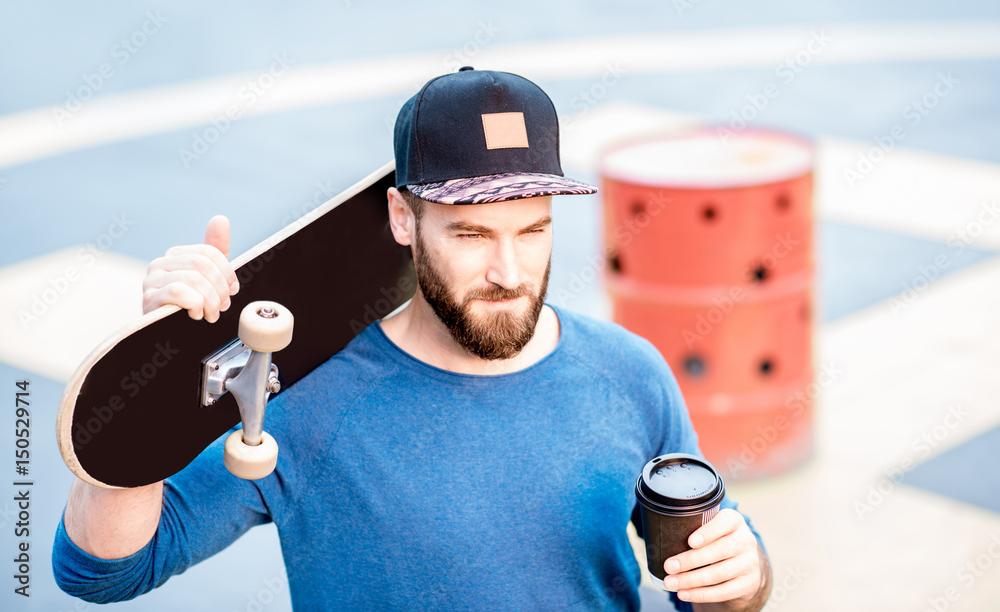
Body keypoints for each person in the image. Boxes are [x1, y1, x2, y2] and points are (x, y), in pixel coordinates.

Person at [53, 68, 773, 610]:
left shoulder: (629, 372)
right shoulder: (305, 389)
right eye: (470, 233)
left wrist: (746, 575)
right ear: (403, 218)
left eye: (532, 230)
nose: (508, 270)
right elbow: (105, 569)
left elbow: (707, 578)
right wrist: (158, 370)